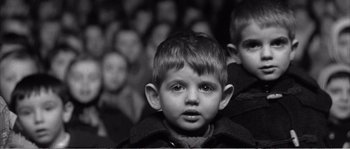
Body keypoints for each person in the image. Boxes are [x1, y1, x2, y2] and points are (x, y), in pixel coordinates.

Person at [222, 0, 332, 147]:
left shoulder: (312, 98)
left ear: (292, 49)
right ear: (235, 53)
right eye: (253, 45)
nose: (267, 54)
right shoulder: (225, 102)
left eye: (277, 43)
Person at [118, 31, 256, 148]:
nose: (192, 98)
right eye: (177, 87)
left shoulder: (239, 144)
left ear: (223, 98)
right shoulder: (138, 145)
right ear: (155, 97)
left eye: (206, 88)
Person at [9, 74, 114, 148]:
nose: (38, 119)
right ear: (18, 122)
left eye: (48, 108)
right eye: (27, 112)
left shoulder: (98, 145)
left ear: (66, 111)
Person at [99, 50, 153, 144]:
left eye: (121, 69)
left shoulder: (134, 99)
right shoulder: (93, 100)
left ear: (127, 74)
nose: (115, 74)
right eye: (109, 68)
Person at [65, 54, 107, 138]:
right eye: (77, 77)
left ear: (102, 81)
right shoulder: (57, 115)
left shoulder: (115, 116)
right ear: (67, 80)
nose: (85, 84)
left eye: (93, 78)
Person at [318, 64, 350, 148]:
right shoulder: (311, 133)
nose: (345, 98)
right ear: (321, 94)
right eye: (336, 91)